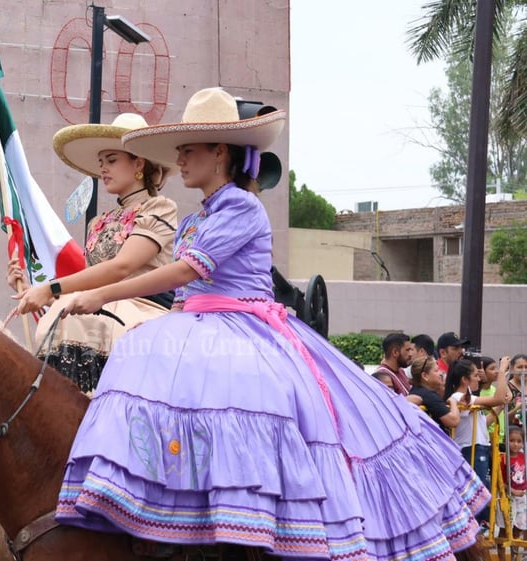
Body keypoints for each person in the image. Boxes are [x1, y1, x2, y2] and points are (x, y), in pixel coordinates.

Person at [55, 87, 490, 559]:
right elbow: (183, 295)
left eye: (188, 150)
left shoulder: (241, 206)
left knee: (257, 417)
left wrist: (93, 293)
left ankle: (261, 532)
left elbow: (186, 271)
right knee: (147, 362)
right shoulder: (193, 220)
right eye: (177, 151)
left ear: (219, 152)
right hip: (199, 325)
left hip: (247, 328)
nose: (179, 160)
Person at [10, 113, 178, 393]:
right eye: (102, 163)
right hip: (99, 308)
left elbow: (121, 268)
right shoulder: (97, 222)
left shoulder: (159, 208)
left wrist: (50, 289)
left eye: (112, 160)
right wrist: (33, 291)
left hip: (143, 311)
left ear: (139, 162)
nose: (104, 170)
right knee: (66, 320)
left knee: (80, 321)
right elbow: (90, 284)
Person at [444, 358, 509, 530]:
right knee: (479, 492)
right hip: (469, 449)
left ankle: (482, 525)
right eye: (474, 375)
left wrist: (501, 406)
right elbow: (497, 397)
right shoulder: (458, 397)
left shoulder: (469, 398)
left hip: (477, 447)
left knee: (483, 490)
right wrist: (502, 371)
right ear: (465, 379)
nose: (478, 378)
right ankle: (479, 525)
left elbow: (484, 423)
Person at [496, 425, 527, 561]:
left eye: (519, 441)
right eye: (512, 440)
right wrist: (512, 491)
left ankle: (515, 557)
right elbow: (499, 482)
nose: (515, 444)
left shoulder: (524, 457)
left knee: (518, 528)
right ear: (505, 441)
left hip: (522, 497)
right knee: (504, 530)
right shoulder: (502, 459)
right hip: (507, 498)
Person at [408, 356, 459, 433]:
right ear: (425, 376)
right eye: (436, 370)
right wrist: (453, 401)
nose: (440, 374)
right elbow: (453, 421)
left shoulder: (414, 391)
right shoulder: (428, 396)